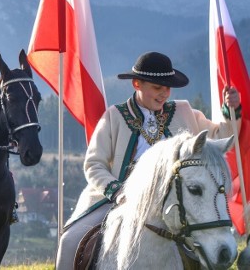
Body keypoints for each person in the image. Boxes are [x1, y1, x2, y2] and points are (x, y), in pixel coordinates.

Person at [55, 51, 242, 269]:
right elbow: (94, 164)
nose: (164, 94)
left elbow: (218, 137)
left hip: (174, 201)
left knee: (204, 243)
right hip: (116, 199)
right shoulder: (114, 116)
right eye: (157, 87)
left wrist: (231, 110)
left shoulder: (184, 111)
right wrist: (117, 191)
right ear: (137, 84)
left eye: (167, 88)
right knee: (69, 242)